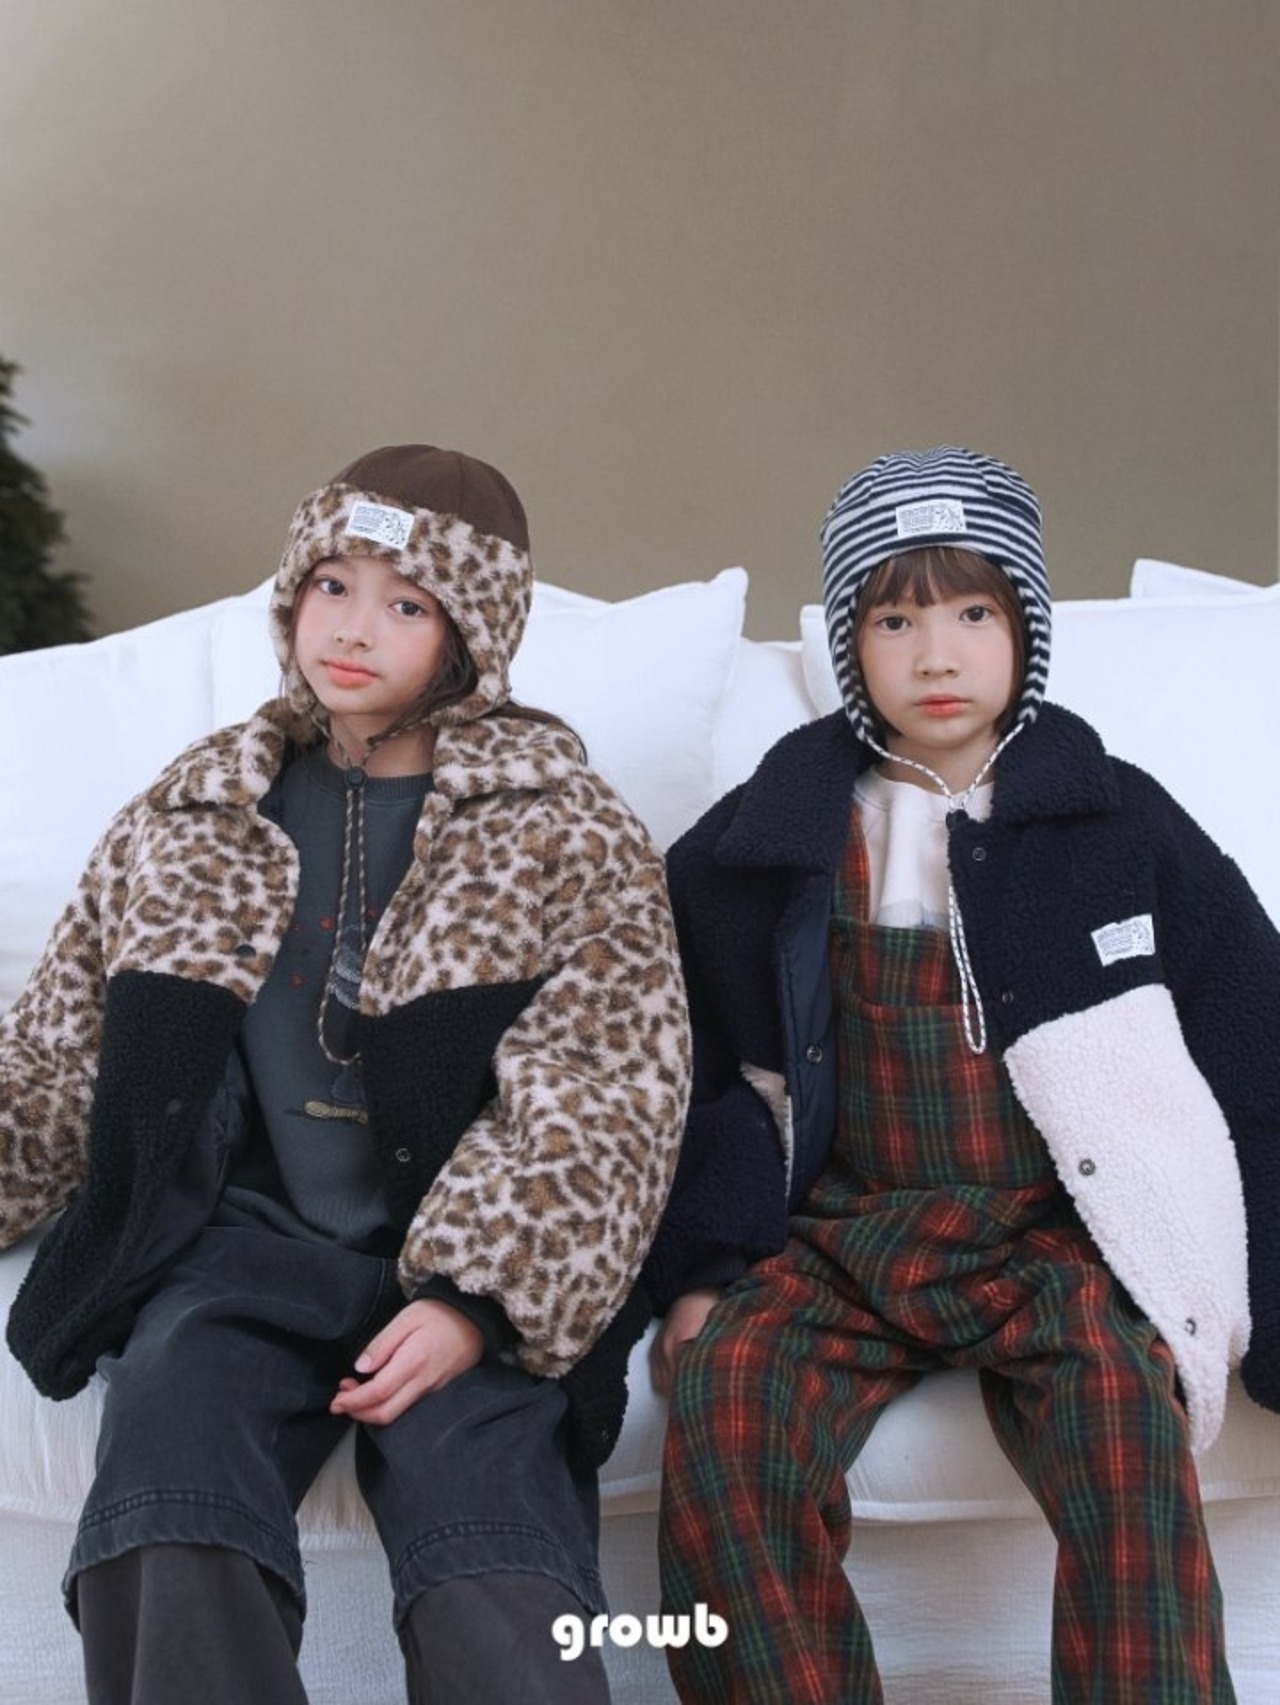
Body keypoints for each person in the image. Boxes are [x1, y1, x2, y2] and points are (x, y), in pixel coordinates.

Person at [0, 444, 692, 1705]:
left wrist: (475, 1303)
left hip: (459, 1261)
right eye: (331, 585)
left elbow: (606, 1091)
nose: (354, 629)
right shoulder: (199, 810)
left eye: (406, 603)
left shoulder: (565, 827)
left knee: (499, 1580)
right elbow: (57, 1054)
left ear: (472, 631)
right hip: (242, 1250)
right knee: (167, 1496)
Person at [645, 445, 1280, 1703]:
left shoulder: (1114, 820)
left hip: (1053, 1233)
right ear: (848, 642)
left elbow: (1254, 1043)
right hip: (838, 1229)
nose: (935, 655)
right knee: (725, 1415)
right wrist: (701, 1270)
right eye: (894, 620)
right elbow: (689, 1067)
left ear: (1023, 626)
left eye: (972, 613)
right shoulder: (761, 840)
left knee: (1124, 1425)